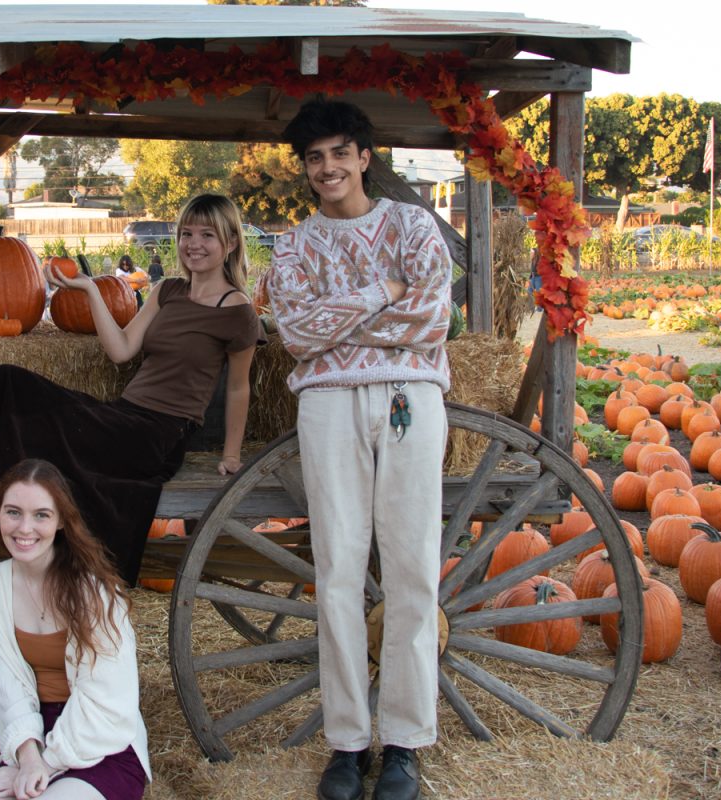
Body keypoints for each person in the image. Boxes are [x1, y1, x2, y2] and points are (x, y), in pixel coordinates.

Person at [0, 193, 261, 585]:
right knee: (7, 378)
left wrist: (232, 454)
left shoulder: (238, 312)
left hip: (157, 436)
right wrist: (89, 290)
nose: (194, 244)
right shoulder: (167, 291)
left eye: (207, 235)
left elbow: (239, 388)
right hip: (121, 415)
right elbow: (121, 351)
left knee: (35, 434)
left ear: (231, 242)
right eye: (187, 233)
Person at [267, 100, 451, 800]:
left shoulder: (412, 224)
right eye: (315, 159)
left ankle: (403, 741)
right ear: (307, 170)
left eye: (340, 153)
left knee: (412, 569)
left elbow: (434, 315)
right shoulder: (294, 246)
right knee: (338, 570)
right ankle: (347, 742)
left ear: (365, 157)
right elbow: (298, 333)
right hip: (328, 407)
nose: (328, 168)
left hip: (411, 400)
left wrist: (344, 322)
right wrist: (384, 291)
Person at [0, 458, 151, 800]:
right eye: (13, 512)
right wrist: (26, 758)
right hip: (33, 737)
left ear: (61, 523)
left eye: (41, 515)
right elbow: (6, 686)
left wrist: (47, 763)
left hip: (99, 739)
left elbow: (109, 702)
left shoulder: (96, 594)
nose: (25, 528)